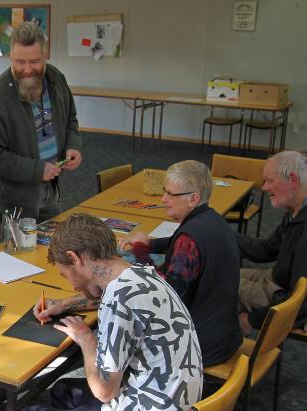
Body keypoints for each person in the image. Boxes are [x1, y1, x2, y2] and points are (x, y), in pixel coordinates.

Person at [18, 213, 203, 411]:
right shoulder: (142, 274)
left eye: (66, 275)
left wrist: (87, 339)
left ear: (74, 258)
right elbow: (103, 297)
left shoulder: (118, 303)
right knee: (62, 391)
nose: (71, 285)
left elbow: (104, 390)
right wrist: (66, 304)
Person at [118, 160, 242, 367]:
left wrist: (140, 252)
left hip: (200, 346)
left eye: (170, 194)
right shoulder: (213, 220)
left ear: (193, 198)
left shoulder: (190, 238)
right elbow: (179, 244)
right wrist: (150, 243)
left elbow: (165, 295)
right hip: (225, 336)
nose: (164, 199)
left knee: (123, 321)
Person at [0, 21, 82, 223]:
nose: (27, 69)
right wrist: (36, 170)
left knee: (54, 248)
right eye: (20, 62)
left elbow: (70, 118)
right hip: (17, 199)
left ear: (45, 55)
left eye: (34, 61)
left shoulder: (56, 80)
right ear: (10, 57)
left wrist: (73, 146)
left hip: (51, 189)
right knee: (20, 254)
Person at [236, 150, 307, 335]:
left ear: (292, 179)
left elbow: (300, 302)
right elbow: (266, 250)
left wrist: (253, 319)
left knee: (219, 283)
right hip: (278, 281)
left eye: (270, 180)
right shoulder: (296, 211)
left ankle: (220, 350)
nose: (264, 187)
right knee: (222, 275)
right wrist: (221, 233)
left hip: (285, 297)